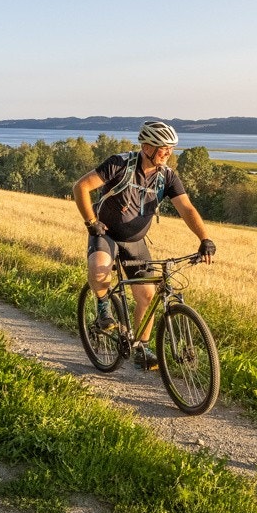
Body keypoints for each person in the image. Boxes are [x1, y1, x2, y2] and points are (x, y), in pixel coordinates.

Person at [72, 120, 216, 370]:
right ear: (146, 146)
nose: (168, 153)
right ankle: (103, 307)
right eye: (163, 148)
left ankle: (141, 348)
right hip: (105, 233)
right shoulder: (119, 164)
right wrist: (91, 223)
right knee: (99, 267)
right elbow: (81, 187)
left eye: (171, 148)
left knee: (147, 296)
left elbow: (187, 209)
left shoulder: (167, 177)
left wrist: (204, 239)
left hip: (135, 241)